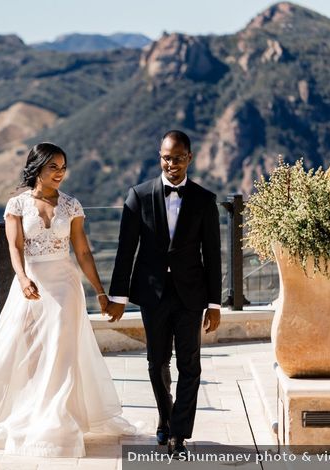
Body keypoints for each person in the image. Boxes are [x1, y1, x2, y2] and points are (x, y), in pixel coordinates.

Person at [0, 142, 138, 458]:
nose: (60, 173)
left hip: (66, 286)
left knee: (62, 353)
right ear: (37, 168)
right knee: (25, 352)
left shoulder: (72, 205)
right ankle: (13, 413)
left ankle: (58, 423)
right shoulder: (17, 205)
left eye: (63, 167)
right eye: (54, 167)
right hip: (32, 285)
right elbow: (15, 247)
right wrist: (22, 279)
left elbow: (83, 251)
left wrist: (99, 291)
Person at [105, 130, 222, 455]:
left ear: (189, 158)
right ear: (161, 158)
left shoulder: (204, 200)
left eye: (179, 157)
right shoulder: (138, 196)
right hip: (152, 294)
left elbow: (213, 255)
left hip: (191, 295)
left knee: (190, 365)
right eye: (167, 158)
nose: (173, 163)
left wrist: (214, 303)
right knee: (157, 362)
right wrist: (119, 296)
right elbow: (125, 250)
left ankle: (178, 434)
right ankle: (165, 417)